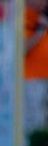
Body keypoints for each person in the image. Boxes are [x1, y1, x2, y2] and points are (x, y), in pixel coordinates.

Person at [26, 0, 48, 138]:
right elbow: (21, 49)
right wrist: (39, 29)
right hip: (32, 80)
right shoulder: (23, 17)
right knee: (35, 123)